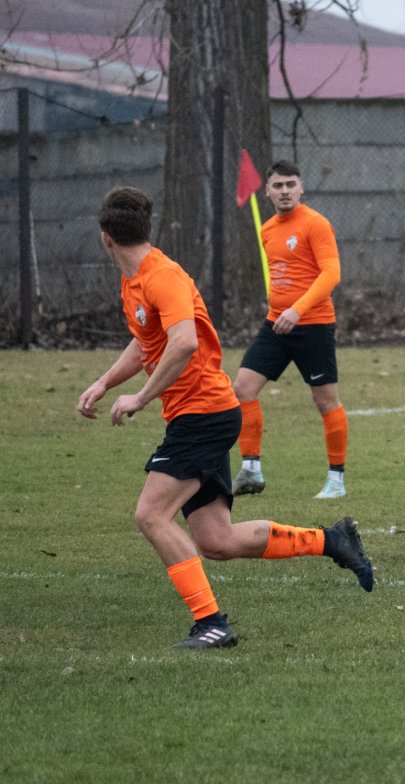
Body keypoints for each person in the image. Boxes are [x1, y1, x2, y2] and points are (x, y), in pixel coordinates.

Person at [77, 187, 374, 650]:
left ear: (105, 239)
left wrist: (141, 397)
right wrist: (104, 383)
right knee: (216, 541)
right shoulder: (134, 281)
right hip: (197, 414)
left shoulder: (163, 276)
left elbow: (184, 343)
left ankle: (211, 623)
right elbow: (147, 341)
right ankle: (332, 541)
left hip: (204, 415)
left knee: (151, 515)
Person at [231, 160, 350, 499]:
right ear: (267, 190)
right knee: (242, 388)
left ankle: (336, 481)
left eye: (290, 184)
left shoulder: (316, 224)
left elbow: (331, 274)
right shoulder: (267, 229)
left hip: (313, 325)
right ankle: (251, 471)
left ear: (301, 188)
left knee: (325, 401)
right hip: (276, 324)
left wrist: (297, 310)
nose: (284, 191)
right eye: (278, 185)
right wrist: (281, 307)